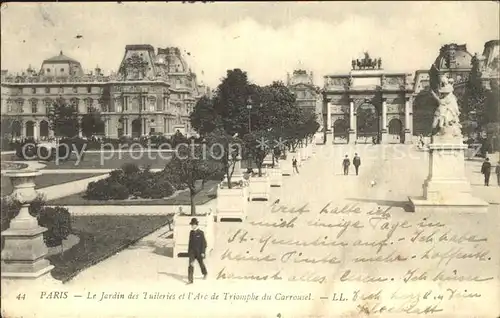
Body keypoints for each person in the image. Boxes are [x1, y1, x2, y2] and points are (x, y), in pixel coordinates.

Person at [187, 218, 207, 284]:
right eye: (191, 225)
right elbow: (190, 243)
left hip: (199, 252)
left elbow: (204, 243)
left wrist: (203, 252)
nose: (192, 226)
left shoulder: (201, 233)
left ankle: (205, 273)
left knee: (201, 264)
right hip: (192, 252)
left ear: (196, 225)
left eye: (193, 225)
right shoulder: (191, 232)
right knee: (191, 265)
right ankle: (190, 280)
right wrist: (189, 252)